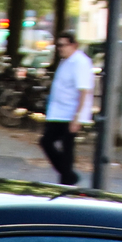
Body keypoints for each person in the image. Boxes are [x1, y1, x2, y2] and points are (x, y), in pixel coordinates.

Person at [39, 32, 93, 184]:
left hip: (70, 112)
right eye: (58, 45)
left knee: (66, 146)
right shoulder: (65, 61)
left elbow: (84, 91)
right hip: (58, 111)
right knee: (47, 142)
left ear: (73, 45)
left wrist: (78, 116)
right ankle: (68, 176)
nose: (60, 49)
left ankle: (67, 178)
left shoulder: (80, 62)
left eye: (63, 45)